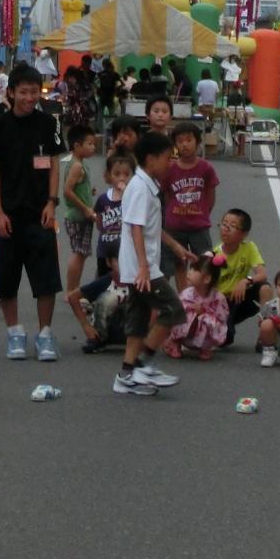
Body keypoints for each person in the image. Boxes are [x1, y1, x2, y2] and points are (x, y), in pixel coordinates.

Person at [0, 63, 64, 361]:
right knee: (6, 278)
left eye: (34, 92)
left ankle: (45, 335)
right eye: (24, 92)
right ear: (11, 92)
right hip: (8, 216)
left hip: (41, 212)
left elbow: (55, 163)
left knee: (46, 277)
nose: (30, 98)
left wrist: (52, 202)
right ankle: (14, 332)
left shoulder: (48, 123)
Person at [114, 130, 182, 397]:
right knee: (173, 309)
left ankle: (126, 375)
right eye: (168, 158)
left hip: (139, 267)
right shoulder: (140, 188)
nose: (171, 163)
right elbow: (136, 228)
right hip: (142, 269)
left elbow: (152, 228)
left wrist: (177, 247)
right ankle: (143, 364)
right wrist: (143, 267)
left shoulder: (146, 185)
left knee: (138, 321)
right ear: (151, 159)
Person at [67, 150, 134, 352]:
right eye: (117, 174)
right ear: (108, 176)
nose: (121, 178)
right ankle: (100, 330)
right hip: (107, 251)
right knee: (105, 290)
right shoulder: (104, 199)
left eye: (126, 174)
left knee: (126, 292)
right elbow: (98, 219)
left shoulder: (132, 197)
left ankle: (129, 331)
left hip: (127, 252)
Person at [163, 120, 218, 264]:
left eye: (189, 140)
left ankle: (200, 287)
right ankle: (182, 288)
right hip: (175, 225)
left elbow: (211, 196)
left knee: (204, 262)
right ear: (175, 145)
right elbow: (167, 195)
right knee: (178, 264)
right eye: (180, 141)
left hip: (199, 225)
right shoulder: (170, 170)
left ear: (197, 142)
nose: (184, 144)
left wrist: (204, 213)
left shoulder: (206, 168)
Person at [213, 207, 269, 346]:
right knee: (225, 339)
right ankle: (222, 326)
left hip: (240, 296)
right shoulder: (215, 255)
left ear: (244, 234)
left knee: (265, 287)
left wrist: (246, 280)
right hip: (222, 302)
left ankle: (266, 332)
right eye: (224, 224)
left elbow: (262, 274)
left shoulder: (249, 247)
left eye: (232, 226)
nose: (225, 229)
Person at [58, 123, 101, 295]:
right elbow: (67, 191)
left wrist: (88, 192)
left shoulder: (78, 163)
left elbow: (75, 188)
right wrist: (86, 209)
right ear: (76, 145)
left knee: (81, 253)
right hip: (78, 216)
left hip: (80, 215)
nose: (93, 147)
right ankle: (71, 291)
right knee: (79, 253)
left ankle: (73, 290)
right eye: (89, 144)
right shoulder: (76, 166)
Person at [167, 254, 230, 360]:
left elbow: (222, 319)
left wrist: (204, 312)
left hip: (204, 331)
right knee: (182, 315)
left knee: (209, 320)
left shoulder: (218, 298)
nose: (189, 272)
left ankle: (206, 346)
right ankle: (175, 342)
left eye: (194, 270)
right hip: (186, 331)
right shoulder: (187, 294)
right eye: (190, 268)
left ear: (207, 279)